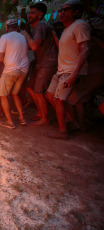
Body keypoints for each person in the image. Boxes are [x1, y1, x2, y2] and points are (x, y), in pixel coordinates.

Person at [45, 0, 90, 139]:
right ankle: (72, 122)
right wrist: (53, 35)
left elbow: (85, 50)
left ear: (76, 12)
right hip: (61, 71)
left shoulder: (80, 25)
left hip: (70, 71)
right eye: (61, 10)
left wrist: (74, 75)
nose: (62, 13)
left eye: (66, 10)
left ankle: (62, 131)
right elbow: (62, 48)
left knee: (59, 100)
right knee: (49, 95)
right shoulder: (67, 29)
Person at [21, 2, 58, 126]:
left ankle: (45, 118)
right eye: (29, 13)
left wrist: (25, 34)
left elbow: (34, 45)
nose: (29, 15)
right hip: (41, 63)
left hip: (48, 63)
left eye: (33, 13)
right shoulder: (36, 28)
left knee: (38, 91)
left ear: (40, 14)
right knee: (30, 87)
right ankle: (41, 112)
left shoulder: (42, 24)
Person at [0, 19, 29, 129]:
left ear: (7, 28)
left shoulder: (5, 37)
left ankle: (10, 122)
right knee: (15, 94)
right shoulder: (22, 37)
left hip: (10, 70)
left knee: (3, 96)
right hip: (23, 70)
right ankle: (21, 118)